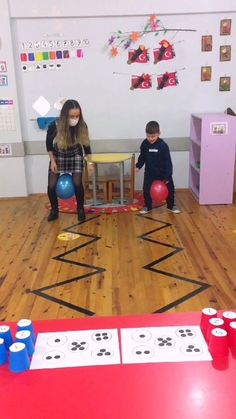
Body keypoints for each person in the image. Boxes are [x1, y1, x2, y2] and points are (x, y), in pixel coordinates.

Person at [46, 99, 93, 222]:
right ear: (65, 115)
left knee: (77, 184)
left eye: (77, 115)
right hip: (58, 155)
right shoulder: (54, 125)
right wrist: (53, 161)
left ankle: (80, 209)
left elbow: (87, 147)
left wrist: (90, 163)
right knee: (51, 185)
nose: (75, 118)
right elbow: (48, 145)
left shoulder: (82, 125)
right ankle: (54, 210)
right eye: (72, 116)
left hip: (75, 155)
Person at [136, 120, 180, 214]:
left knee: (170, 189)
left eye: (153, 136)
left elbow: (168, 162)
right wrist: (138, 166)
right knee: (146, 189)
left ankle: (171, 206)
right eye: (148, 136)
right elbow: (142, 157)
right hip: (150, 172)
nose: (150, 138)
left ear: (159, 133)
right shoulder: (144, 144)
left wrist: (168, 176)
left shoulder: (163, 145)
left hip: (163, 173)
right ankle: (148, 206)